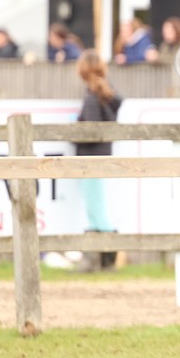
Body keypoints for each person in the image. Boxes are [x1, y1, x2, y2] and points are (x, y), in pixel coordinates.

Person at [75, 50, 123, 269]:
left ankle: (105, 258)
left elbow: (91, 131)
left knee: (96, 210)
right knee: (96, 208)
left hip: (91, 159)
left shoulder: (92, 98)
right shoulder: (106, 94)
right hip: (101, 156)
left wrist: (75, 130)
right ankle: (103, 260)